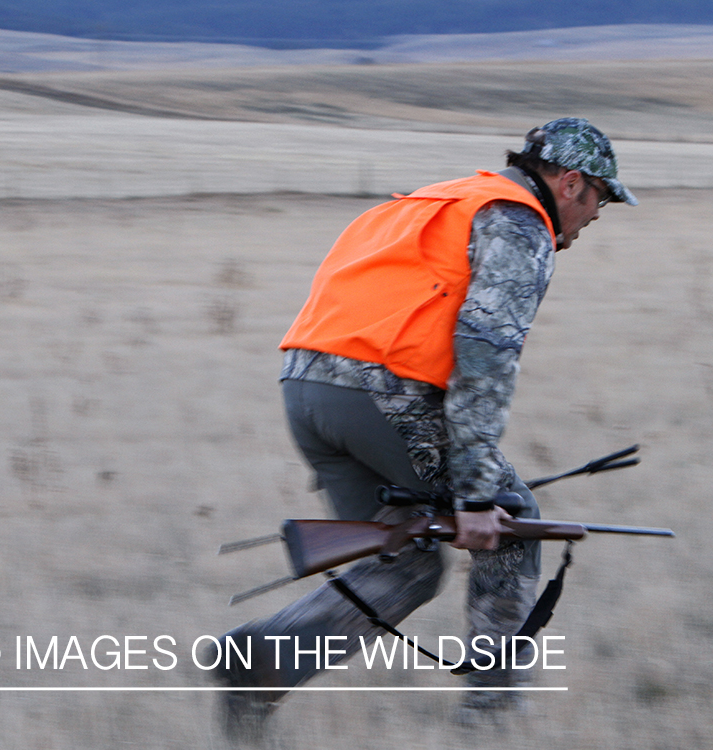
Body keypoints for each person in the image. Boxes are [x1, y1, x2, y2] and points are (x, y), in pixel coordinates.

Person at [213, 117, 636, 736]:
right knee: (509, 523)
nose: (597, 215)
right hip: (383, 392)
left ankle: (263, 660)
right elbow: (485, 359)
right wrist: (474, 495)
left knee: (405, 559)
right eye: (601, 197)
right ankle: (492, 720)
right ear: (570, 184)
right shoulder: (519, 223)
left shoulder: (437, 201)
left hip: (306, 389)